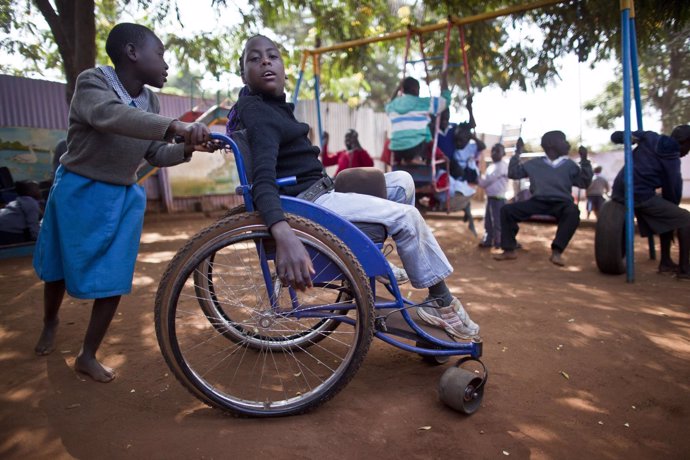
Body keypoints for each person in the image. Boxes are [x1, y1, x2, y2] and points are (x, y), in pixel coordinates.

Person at [226, 34, 479, 340]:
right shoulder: (260, 113)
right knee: (407, 217)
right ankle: (441, 302)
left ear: (284, 70)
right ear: (244, 75)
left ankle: (379, 260)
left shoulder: (271, 106)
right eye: (254, 58)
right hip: (311, 204)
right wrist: (283, 234)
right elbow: (262, 180)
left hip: (321, 190)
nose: (265, 61)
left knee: (402, 182)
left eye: (272, 56)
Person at [32, 23, 212, 382]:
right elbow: (110, 116)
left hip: (122, 196)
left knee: (114, 277)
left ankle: (88, 354)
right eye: (159, 54)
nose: (165, 65)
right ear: (132, 53)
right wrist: (176, 126)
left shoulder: (151, 101)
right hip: (78, 191)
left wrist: (187, 147)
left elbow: (156, 153)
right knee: (58, 267)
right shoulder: (92, 83)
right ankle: (50, 320)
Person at [494, 131, 593, 266]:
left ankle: (557, 251)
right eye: (563, 140)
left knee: (573, 212)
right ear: (551, 145)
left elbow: (584, 182)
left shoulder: (570, 165)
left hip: (562, 203)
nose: (568, 144)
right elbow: (513, 173)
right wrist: (517, 152)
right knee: (507, 210)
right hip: (538, 201)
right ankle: (509, 249)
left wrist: (585, 160)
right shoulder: (534, 164)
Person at [610, 125, 690, 278]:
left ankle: (665, 262)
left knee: (668, 213)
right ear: (685, 142)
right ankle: (685, 269)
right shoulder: (672, 159)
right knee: (685, 219)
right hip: (640, 196)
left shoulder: (649, 136)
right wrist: (672, 209)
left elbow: (615, 137)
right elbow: (673, 190)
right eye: (689, 147)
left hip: (620, 189)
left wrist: (623, 136)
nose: (687, 153)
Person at [385, 75, 451, 165]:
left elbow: (388, 104)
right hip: (415, 148)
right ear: (415, 89)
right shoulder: (422, 103)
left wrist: (398, 88)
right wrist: (444, 78)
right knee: (428, 127)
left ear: (402, 90)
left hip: (397, 150)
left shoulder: (393, 106)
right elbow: (446, 101)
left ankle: (406, 160)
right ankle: (419, 158)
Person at [477, 144, 509, 249]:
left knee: (497, 221)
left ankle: (498, 241)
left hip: (499, 199)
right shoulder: (491, 166)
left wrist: (478, 179)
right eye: (493, 151)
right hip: (490, 198)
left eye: (498, 151)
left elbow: (486, 181)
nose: (494, 153)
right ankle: (488, 240)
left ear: (503, 153)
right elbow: (485, 181)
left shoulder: (502, 166)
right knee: (488, 221)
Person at [0, 180, 43, 245]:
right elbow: (33, 225)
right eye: (38, 189)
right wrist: (40, 241)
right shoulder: (31, 204)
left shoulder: (20, 200)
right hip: (6, 230)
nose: (40, 191)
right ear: (31, 192)